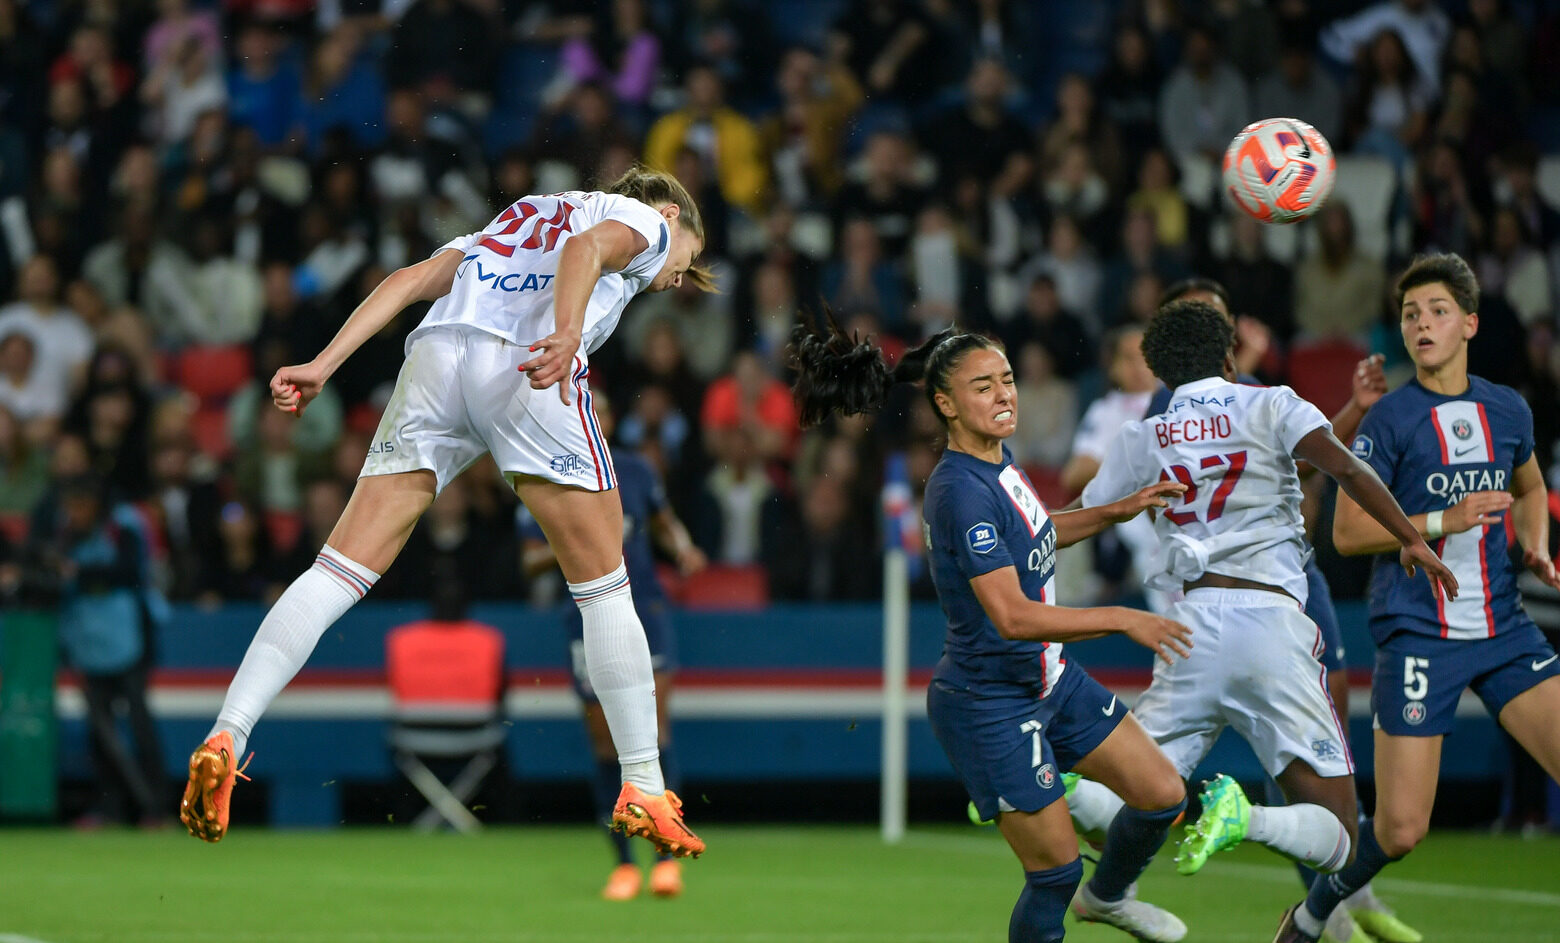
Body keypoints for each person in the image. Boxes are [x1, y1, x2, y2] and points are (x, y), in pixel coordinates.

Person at [179, 166, 713, 860]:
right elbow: (585, 254)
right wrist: (567, 331)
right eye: (689, 261)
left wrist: (323, 362)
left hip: (435, 358)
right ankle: (642, 778)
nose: (679, 276)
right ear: (671, 214)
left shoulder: (518, 215)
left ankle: (229, 729)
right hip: (526, 365)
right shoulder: (642, 221)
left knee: (335, 570)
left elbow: (408, 280)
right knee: (605, 581)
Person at [790, 313, 1197, 943]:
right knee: (1054, 873)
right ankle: (1084, 888)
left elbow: (1034, 534)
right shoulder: (959, 491)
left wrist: (1116, 509)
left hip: (1048, 682)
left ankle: (1108, 897)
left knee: (1163, 794)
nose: (1005, 393)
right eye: (984, 386)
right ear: (946, 404)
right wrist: (1121, 618)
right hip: (989, 704)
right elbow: (1011, 616)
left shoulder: (999, 464)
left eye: (1007, 379)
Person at [1073, 299, 1454, 938]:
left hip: (1188, 627)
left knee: (1135, 801)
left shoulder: (1142, 437)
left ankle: (1041, 786)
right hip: (1269, 623)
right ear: (1229, 355)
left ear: (1161, 373)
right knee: (1338, 839)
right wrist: (1409, 537)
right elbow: (1341, 465)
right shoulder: (1271, 402)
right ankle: (1241, 817)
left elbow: (1082, 515)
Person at [1274, 254, 1560, 941]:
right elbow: (1345, 532)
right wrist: (1439, 522)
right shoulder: (1392, 418)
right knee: (1402, 828)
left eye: (1436, 311)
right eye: (1409, 314)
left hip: (1504, 630)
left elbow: (1526, 487)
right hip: (1419, 633)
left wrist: (1536, 544)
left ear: (1469, 323)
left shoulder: (1507, 407)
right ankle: (1314, 911)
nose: (1422, 323)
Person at [517, 389, 706, 899]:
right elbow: (528, 560)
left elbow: (663, 523)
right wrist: (569, 543)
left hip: (645, 607)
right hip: (584, 616)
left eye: (597, 409)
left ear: (607, 417)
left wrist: (684, 548)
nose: (588, 416)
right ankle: (624, 864)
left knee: (655, 730)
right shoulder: (542, 471)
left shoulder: (636, 471)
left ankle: (667, 859)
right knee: (605, 743)